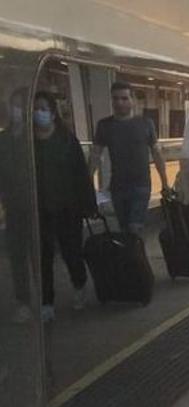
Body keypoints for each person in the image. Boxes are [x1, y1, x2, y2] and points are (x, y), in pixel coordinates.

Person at [32, 91, 98, 322]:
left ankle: (79, 284)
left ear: (52, 113)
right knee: (43, 258)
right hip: (39, 210)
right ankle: (46, 302)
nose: (38, 113)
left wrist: (89, 204)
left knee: (72, 252)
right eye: (35, 108)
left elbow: (81, 175)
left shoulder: (67, 141)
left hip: (68, 209)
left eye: (43, 109)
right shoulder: (28, 144)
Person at [90, 81, 170, 234]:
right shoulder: (104, 125)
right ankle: (133, 256)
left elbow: (156, 153)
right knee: (125, 228)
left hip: (141, 185)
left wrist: (165, 182)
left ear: (132, 100)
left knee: (135, 227)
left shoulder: (146, 124)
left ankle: (135, 254)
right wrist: (88, 180)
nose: (119, 102)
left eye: (124, 98)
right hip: (118, 186)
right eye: (116, 98)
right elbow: (95, 154)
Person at [0, 88, 34, 323]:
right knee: (18, 256)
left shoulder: (35, 138)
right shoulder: (3, 140)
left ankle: (45, 297)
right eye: (14, 106)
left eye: (21, 106)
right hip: (13, 206)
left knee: (38, 254)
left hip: (37, 206)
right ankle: (23, 301)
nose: (17, 111)